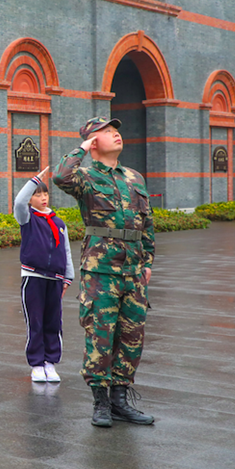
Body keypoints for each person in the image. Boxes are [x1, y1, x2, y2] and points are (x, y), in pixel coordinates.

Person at [53, 116, 156, 428]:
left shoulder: (134, 178)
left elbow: (147, 222)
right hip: (101, 270)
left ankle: (120, 400)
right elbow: (60, 176)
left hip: (134, 270)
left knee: (131, 335)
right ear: (94, 142)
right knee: (101, 333)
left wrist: (148, 261)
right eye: (108, 133)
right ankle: (100, 401)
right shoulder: (84, 176)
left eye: (116, 131)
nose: (116, 135)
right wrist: (82, 148)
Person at [14, 168, 74, 383]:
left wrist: (68, 276)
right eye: (37, 194)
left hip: (55, 279)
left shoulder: (58, 222)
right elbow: (19, 202)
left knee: (53, 322)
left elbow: (65, 250)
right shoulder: (27, 217)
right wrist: (34, 180)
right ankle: (37, 364)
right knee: (36, 321)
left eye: (45, 193)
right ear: (31, 198)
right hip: (34, 277)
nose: (43, 197)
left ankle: (50, 362)